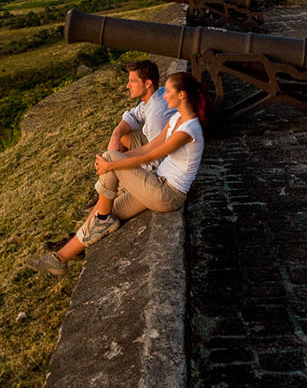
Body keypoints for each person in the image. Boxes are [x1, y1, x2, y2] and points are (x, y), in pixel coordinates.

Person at [35, 70, 208, 275]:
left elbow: (150, 157)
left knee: (110, 160)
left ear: (182, 95)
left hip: (168, 194)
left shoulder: (189, 129)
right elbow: (147, 148)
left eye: (168, 91)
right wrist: (114, 163)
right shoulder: (177, 119)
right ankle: (61, 258)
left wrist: (112, 165)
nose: (164, 95)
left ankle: (100, 222)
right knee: (107, 209)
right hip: (157, 185)